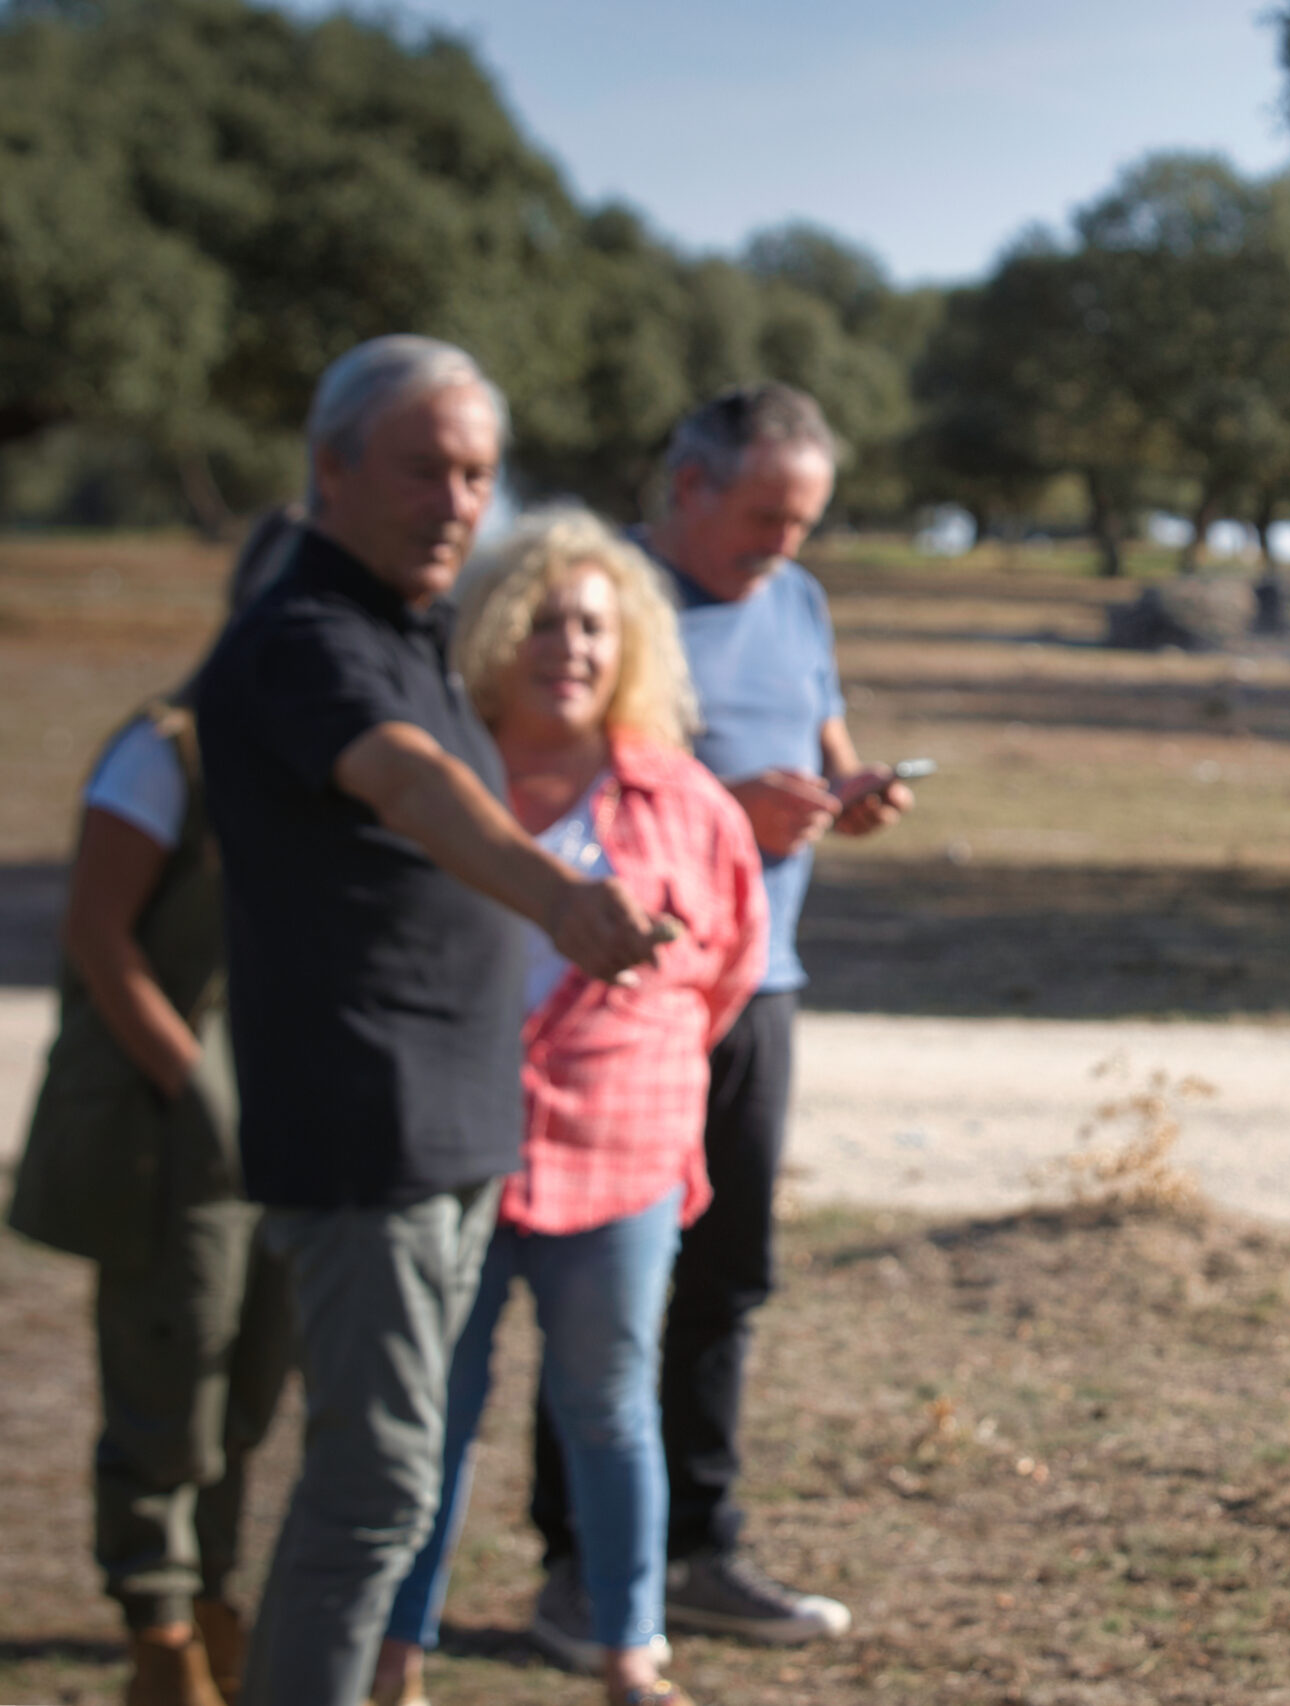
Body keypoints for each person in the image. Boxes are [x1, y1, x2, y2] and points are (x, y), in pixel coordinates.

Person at [192, 336, 672, 1706]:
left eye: (476, 473)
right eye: (424, 468)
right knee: (377, 1481)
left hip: (455, 1124)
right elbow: (409, 785)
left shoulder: (412, 634)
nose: (459, 499)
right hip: (368, 1128)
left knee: (386, 1485)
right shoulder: (305, 640)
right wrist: (558, 895)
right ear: (330, 466)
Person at [527, 383, 909, 1658]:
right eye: (763, 516)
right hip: (626, 991)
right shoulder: (600, 603)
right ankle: (577, 1565)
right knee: (597, 1280)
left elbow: (821, 733)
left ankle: (700, 1546)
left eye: (803, 520)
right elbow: (556, 771)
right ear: (686, 484)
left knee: (727, 1269)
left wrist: (846, 792)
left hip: (760, 981)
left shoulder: (795, 600)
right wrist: (716, 814)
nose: (783, 546)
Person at [372, 507, 767, 1706]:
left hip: (621, 1148)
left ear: (630, 642)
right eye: (543, 620)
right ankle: (397, 1644)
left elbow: (729, 969)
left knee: (608, 1401)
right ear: (492, 631)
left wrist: (632, 1066)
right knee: (430, 1410)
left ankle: (628, 1644)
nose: (570, 646)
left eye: (594, 624)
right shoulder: (446, 780)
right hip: (458, 1140)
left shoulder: (685, 800)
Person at [7, 508, 304, 1706]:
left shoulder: (321, 759)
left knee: (253, 1375)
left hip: (280, 1123)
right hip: (168, 1129)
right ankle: (158, 1622)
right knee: (168, 1373)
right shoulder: (166, 749)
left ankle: (214, 1589)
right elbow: (98, 933)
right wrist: (193, 1082)